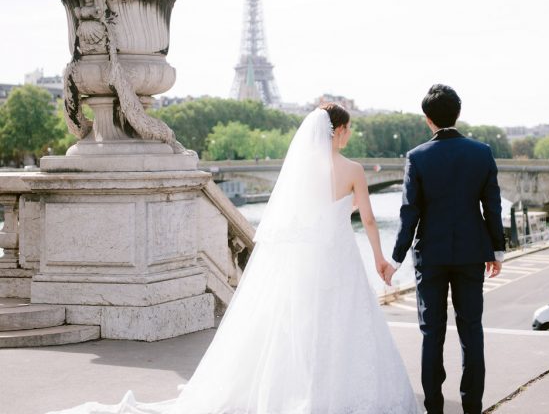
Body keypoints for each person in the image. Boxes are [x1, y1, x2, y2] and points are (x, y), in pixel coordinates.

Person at [48, 103, 419, 414]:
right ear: (338, 131)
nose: (350, 135)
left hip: (307, 259)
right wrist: (379, 260)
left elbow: (298, 219)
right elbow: (367, 219)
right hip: (339, 256)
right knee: (344, 322)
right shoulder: (353, 170)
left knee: (302, 325)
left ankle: (297, 388)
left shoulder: (303, 175)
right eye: (348, 128)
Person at [385, 85, 504, 414]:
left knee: (431, 333)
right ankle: (471, 407)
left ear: (427, 120)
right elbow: (492, 207)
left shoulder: (417, 157)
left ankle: (434, 408)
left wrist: (395, 259)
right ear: (458, 114)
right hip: (470, 253)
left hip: (431, 256)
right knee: (471, 331)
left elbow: (410, 213)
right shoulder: (481, 152)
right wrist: (497, 251)